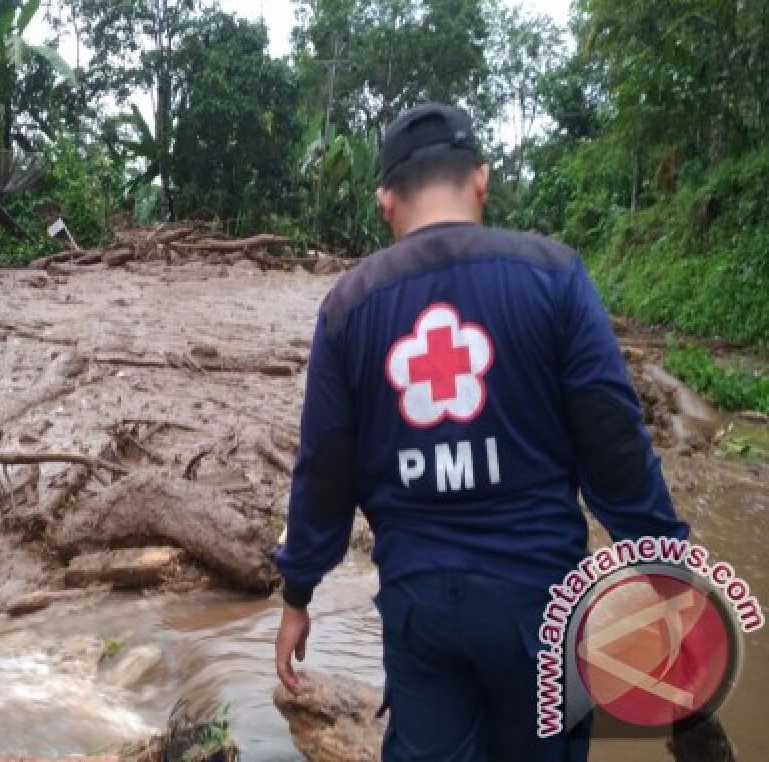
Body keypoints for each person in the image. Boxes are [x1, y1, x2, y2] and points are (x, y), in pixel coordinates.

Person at [273, 103, 689, 762]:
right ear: (482, 181)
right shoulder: (554, 276)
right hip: (544, 605)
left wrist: (297, 593)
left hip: (420, 610)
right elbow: (615, 448)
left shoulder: (349, 306)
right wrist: (668, 576)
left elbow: (324, 469)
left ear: (386, 201)